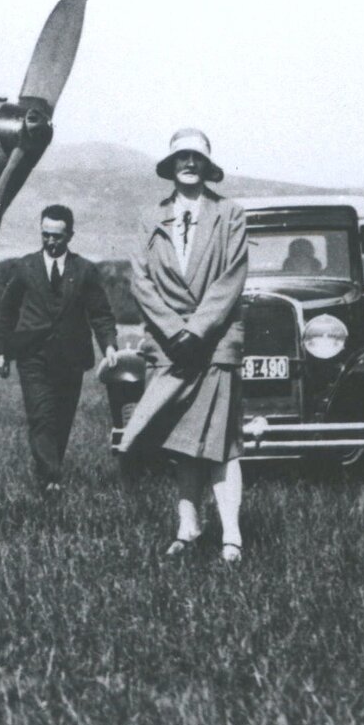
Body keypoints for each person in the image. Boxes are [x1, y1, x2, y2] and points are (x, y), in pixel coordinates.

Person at [116, 128, 251, 564]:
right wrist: (175, 332)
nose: (189, 164)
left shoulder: (229, 213)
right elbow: (140, 280)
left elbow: (232, 277)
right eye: (181, 158)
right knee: (181, 443)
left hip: (213, 348)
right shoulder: (149, 218)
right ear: (171, 166)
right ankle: (187, 528)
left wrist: (197, 331)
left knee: (221, 444)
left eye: (196, 157)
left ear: (207, 166)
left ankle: (231, 537)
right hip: (170, 349)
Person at [0, 204, 119, 493]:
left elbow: (100, 313)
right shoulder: (25, 267)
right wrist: (2, 352)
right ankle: (51, 479)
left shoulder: (85, 270)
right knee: (41, 416)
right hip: (31, 356)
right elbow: (7, 311)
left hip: (71, 357)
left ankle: (48, 475)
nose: (50, 241)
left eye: (57, 237)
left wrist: (109, 346)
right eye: (45, 235)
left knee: (61, 420)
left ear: (69, 236)